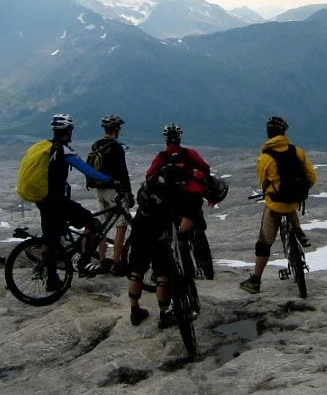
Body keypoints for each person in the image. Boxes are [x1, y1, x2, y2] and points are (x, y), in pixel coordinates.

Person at [126, 123, 211, 328]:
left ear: (166, 140)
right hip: (166, 220)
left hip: (144, 219)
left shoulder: (161, 159)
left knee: (137, 268)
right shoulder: (190, 164)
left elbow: (148, 177)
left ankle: (135, 311)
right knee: (163, 270)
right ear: (180, 138)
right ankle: (165, 315)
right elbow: (205, 169)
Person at [240, 115, 317, 294]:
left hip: (275, 205)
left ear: (269, 134)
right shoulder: (298, 152)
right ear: (284, 133)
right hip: (294, 201)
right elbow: (311, 176)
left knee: (263, 243)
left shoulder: (265, 158)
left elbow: (263, 183)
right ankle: (299, 233)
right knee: (290, 205)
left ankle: (255, 281)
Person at [38, 113, 111, 291]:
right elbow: (86, 169)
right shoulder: (63, 150)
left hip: (43, 199)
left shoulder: (45, 147)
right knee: (93, 223)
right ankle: (83, 262)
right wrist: (108, 180)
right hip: (58, 201)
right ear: (68, 131)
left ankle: (51, 279)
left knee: (50, 239)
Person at [86, 114, 134, 275]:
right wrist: (129, 194)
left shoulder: (95, 145)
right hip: (114, 191)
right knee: (121, 225)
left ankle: (102, 261)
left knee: (101, 226)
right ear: (116, 129)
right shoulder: (116, 147)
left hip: (99, 190)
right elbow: (123, 172)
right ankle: (116, 262)